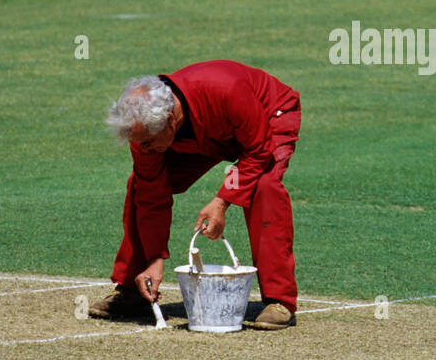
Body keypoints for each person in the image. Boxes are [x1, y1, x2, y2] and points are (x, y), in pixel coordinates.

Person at [93, 60, 301, 330]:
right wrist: (154, 259)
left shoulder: (227, 89)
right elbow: (150, 195)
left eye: (147, 143)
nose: (143, 149)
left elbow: (258, 151)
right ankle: (134, 290)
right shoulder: (144, 133)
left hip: (267, 114)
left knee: (264, 185)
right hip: (213, 131)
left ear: (169, 120)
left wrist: (222, 201)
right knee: (140, 185)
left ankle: (280, 301)